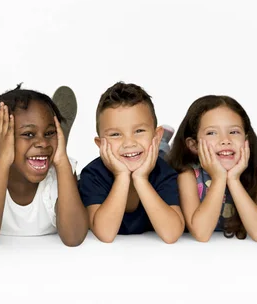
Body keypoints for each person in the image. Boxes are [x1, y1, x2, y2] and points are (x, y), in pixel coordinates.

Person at [0, 85, 88, 246]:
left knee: (48, 151)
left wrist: (62, 161)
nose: (42, 143)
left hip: (36, 158)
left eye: (49, 133)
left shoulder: (61, 172)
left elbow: (74, 238)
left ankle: (59, 138)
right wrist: (3, 159)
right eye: (28, 134)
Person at [168, 95, 257, 241]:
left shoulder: (252, 176)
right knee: (161, 157)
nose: (225, 140)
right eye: (212, 133)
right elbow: (201, 233)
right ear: (194, 145)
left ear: (246, 140)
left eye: (234, 132)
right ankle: (162, 143)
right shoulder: (188, 176)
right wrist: (219, 178)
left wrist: (234, 179)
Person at [78, 82, 184, 243]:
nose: (129, 142)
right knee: (144, 152)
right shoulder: (92, 175)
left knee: (160, 156)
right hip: (137, 155)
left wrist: (141, 179)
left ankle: (162, 146)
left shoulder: (164, 172)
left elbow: (171, 234)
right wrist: (122, 175)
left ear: (156, 136)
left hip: (151, 155)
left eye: (139, 131)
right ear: (100, 145)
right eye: (115, 134)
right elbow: (105, 234)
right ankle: (161, 147)